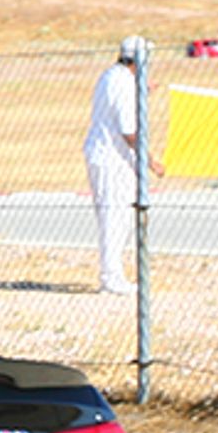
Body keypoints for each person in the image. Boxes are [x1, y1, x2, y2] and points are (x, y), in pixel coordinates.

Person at [82, 35, 164, 296]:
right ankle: (111, 277)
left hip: (107, 155)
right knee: (114, 218)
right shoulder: (123, 84)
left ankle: (113, 274)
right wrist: (150, 161)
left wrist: (143, 91)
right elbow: (128, 131)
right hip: (111, 159)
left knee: (120, 216)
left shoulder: (113, 76)